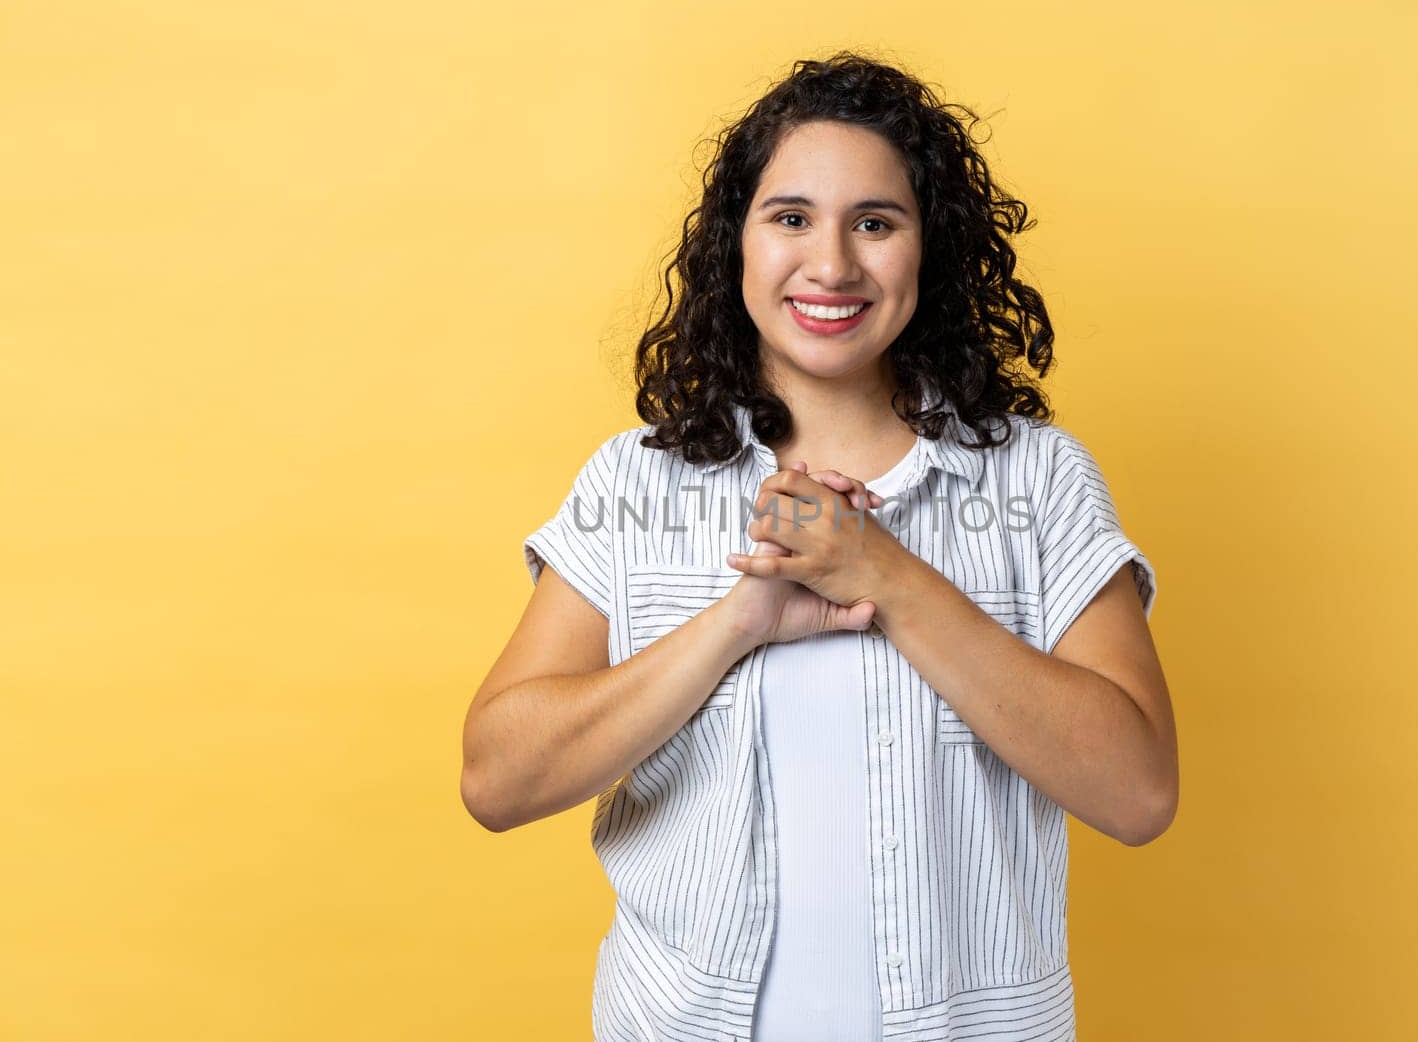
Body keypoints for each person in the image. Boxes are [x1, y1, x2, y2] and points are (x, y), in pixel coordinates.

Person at [461, 50, 1177, 1042]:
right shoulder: (637, 480)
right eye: (790, 217)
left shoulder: (1035, 479)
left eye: (874, 223)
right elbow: (498, 781)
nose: (832, 265)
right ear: (737, 245)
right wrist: (739, 623)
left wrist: (882, 572)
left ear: (929, 249)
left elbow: (1138, 791)